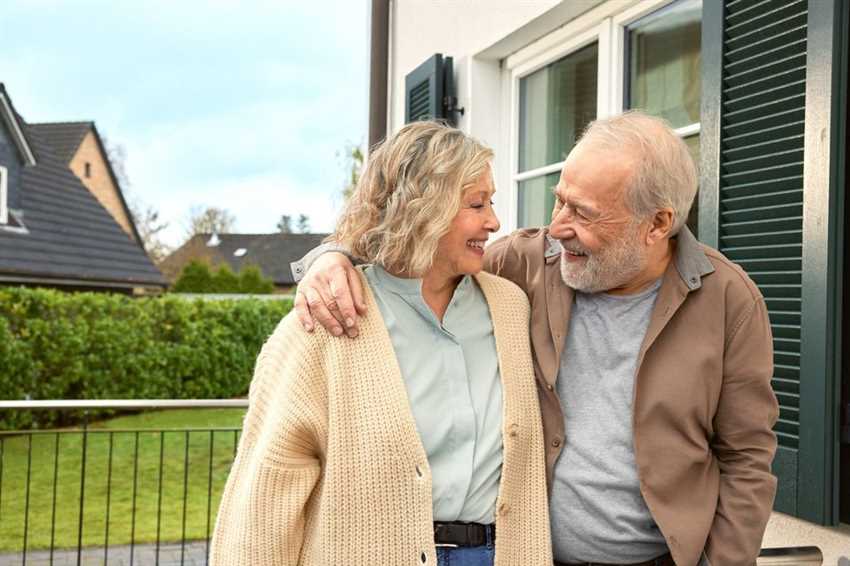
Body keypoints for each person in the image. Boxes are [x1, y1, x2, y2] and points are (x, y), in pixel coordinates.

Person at [292, 111, 779, 566]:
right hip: (534, 555)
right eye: (559, 199)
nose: (558, 226)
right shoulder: (521, 265)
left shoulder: (729, 300)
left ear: (657, 224)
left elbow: (747, 457)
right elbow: (414, 241)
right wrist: (329, 256)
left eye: (584, 214)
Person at [210, 121, 552, 566]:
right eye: (476, 204)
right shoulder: (327, 318)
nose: (494, 221)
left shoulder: (509, 306)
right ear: (422, 208)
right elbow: (269, 486)